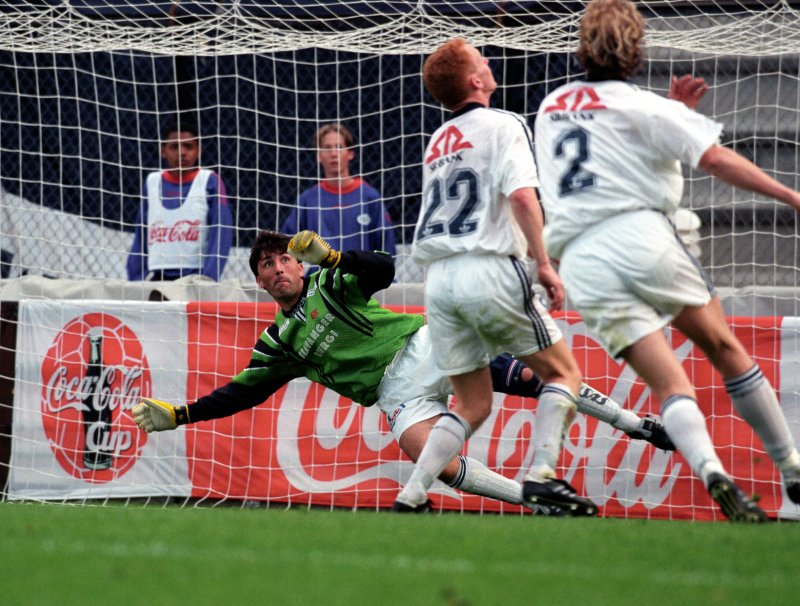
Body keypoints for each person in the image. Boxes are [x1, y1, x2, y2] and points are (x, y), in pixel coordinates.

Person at [132, 230, 673, 513]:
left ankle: (640, 425)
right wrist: (179, 414)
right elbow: (240, 394)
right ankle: (535, 497)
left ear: (299, 265)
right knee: (427, 454)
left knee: (534, 380)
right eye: (264, 268)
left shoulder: (330, 283)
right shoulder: (279, 343)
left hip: (424, 344)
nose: (276, 271)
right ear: (259, 283)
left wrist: (334, 257)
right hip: (395, 393)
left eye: (281, 262)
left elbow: (386, 270)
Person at [533, 0, 800, 522]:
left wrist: (679, 113)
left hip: (582, 261)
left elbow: (610, 146)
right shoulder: (646, 106)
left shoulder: (550, 108)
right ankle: (791, 466)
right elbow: (715, 159)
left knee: (668, 383)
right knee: (723, 346)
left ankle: (710, 471)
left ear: (583, 48)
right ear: (637, 47)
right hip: (640, 237)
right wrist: (790, 197)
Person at [393, 39, 597, 515]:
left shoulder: (437, 141)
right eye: (481, 60)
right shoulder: (504, 123)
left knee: (472, 403)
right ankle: (542, 475)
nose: (489, 63)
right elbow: (523, 197)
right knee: (562, 372)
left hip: (439, 282)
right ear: (475, 81)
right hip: (488, 266)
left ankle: (413, 492)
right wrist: (544, 262)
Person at [126, 120, 233, 281]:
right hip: (158, 277)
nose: (181, 152)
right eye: (174, 146)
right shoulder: (152, 182)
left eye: (188, 146)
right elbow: (141, 236)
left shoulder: (210, 181)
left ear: (198, 151)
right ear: (163, 151)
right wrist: (135, 281)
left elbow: (221, 234)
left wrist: (208, 280)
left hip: (195, 277)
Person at [280, 123, 396, 261]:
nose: (334, 154)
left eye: (339, 147)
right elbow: (287, 247)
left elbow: (387, 249)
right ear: (318, 155)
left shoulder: (369, 197)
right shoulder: (307, 200)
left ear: (350, 153)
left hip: (362, 280)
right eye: (327, 148)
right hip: (320, 280)